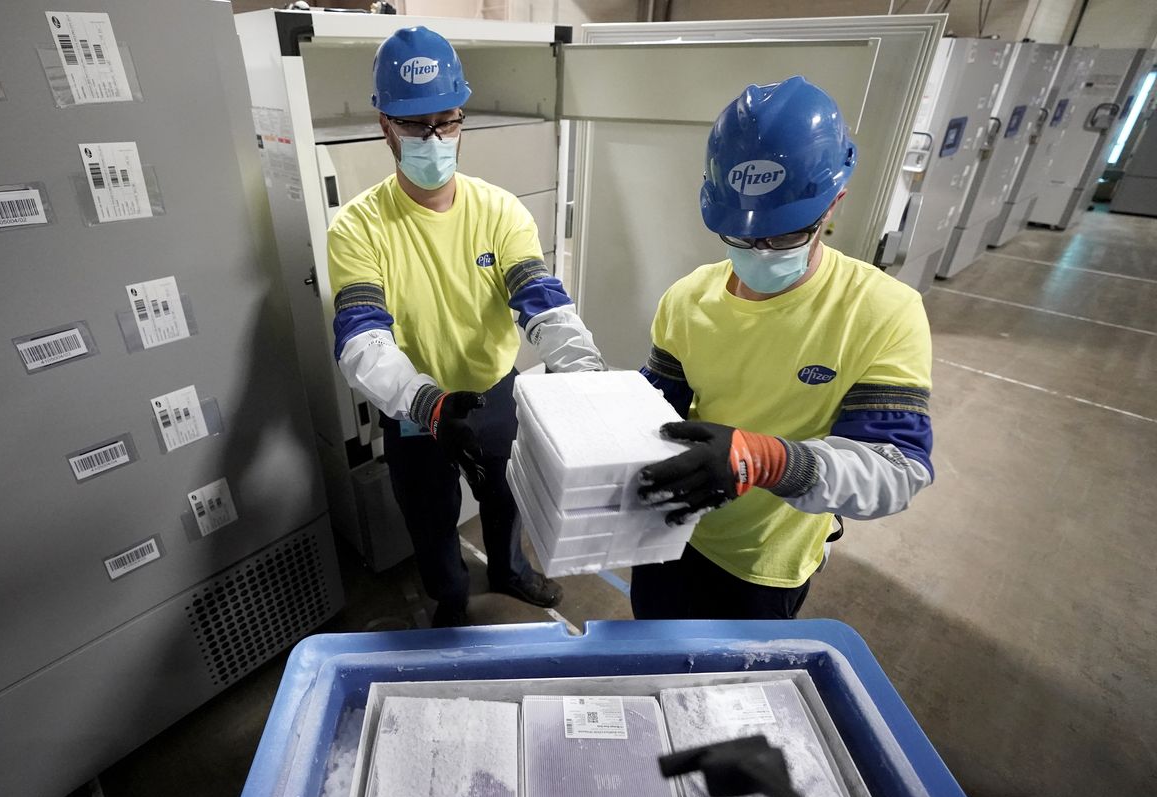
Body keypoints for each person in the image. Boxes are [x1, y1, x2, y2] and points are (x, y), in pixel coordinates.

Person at [327, 27, 604, 627]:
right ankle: (450, 598)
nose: (434, 139)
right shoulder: (358, 228)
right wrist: (426, 405)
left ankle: (509, 570)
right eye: (415, 125)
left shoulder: (500, 209)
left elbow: (541, 299)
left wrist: (589, 377)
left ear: (461, 119)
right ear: (385, 126)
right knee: (429, 515)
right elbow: (361, 338)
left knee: (505, 496)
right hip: (412, 406)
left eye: (447, 122)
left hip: (492, 389)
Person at [633, 77, 934, 620]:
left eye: (784, 234)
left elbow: (898, 469)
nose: (760, 251)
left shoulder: (883, 313)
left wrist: (769, 461)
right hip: (669, 536)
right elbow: (653, 413)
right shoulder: (686, 300)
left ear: (833, 205)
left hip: (766, 562)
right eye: (741, 236)